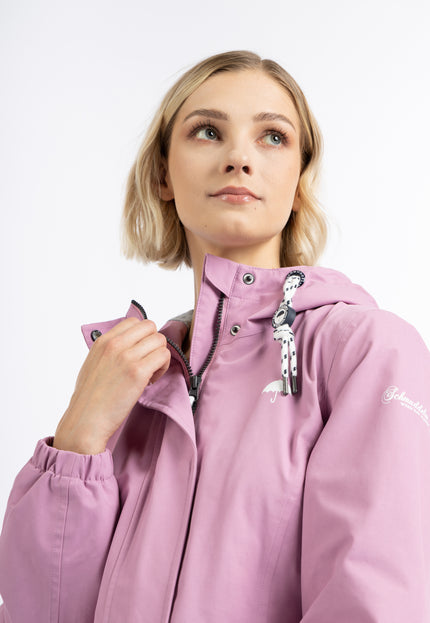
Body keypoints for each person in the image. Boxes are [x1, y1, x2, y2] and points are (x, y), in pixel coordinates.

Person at [0, 50, 429, 623]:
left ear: (299, 182)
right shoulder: (132, 377)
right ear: (163, 175)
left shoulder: (362, 351)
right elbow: (42, 610)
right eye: (207, 131)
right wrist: (78, 439)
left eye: (272, 137)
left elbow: (373, 604)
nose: (239, 158)